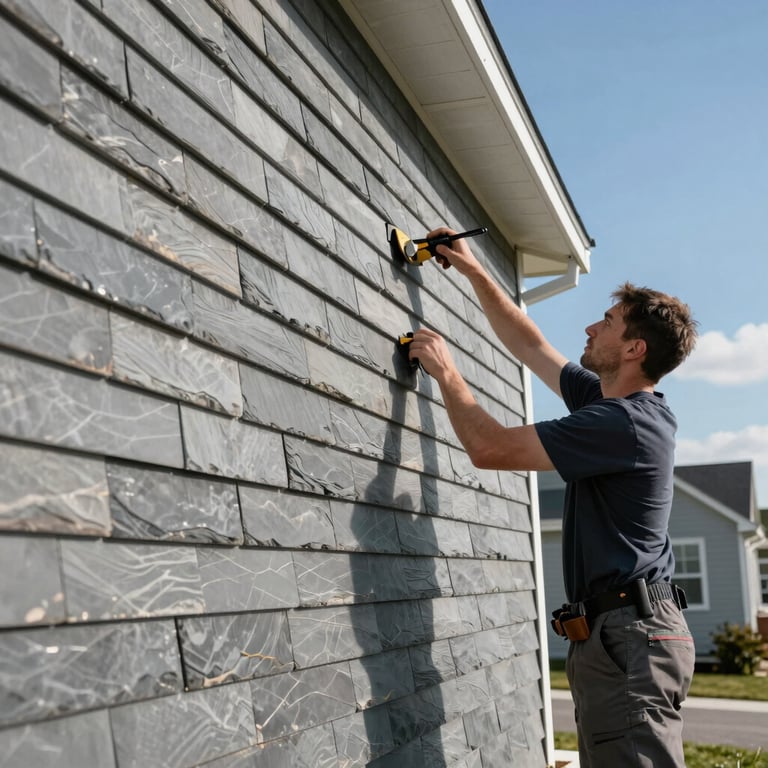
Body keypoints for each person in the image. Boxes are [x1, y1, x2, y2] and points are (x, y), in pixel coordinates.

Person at [409, 227, 699, 768]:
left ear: (634, 349)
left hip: (630, 636)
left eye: (607, 323)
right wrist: (472, 269)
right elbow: (529, 344)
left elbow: (491, 448)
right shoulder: (607, 400)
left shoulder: (624, 422)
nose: (590, 327)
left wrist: (446, 373)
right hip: (617, 633)